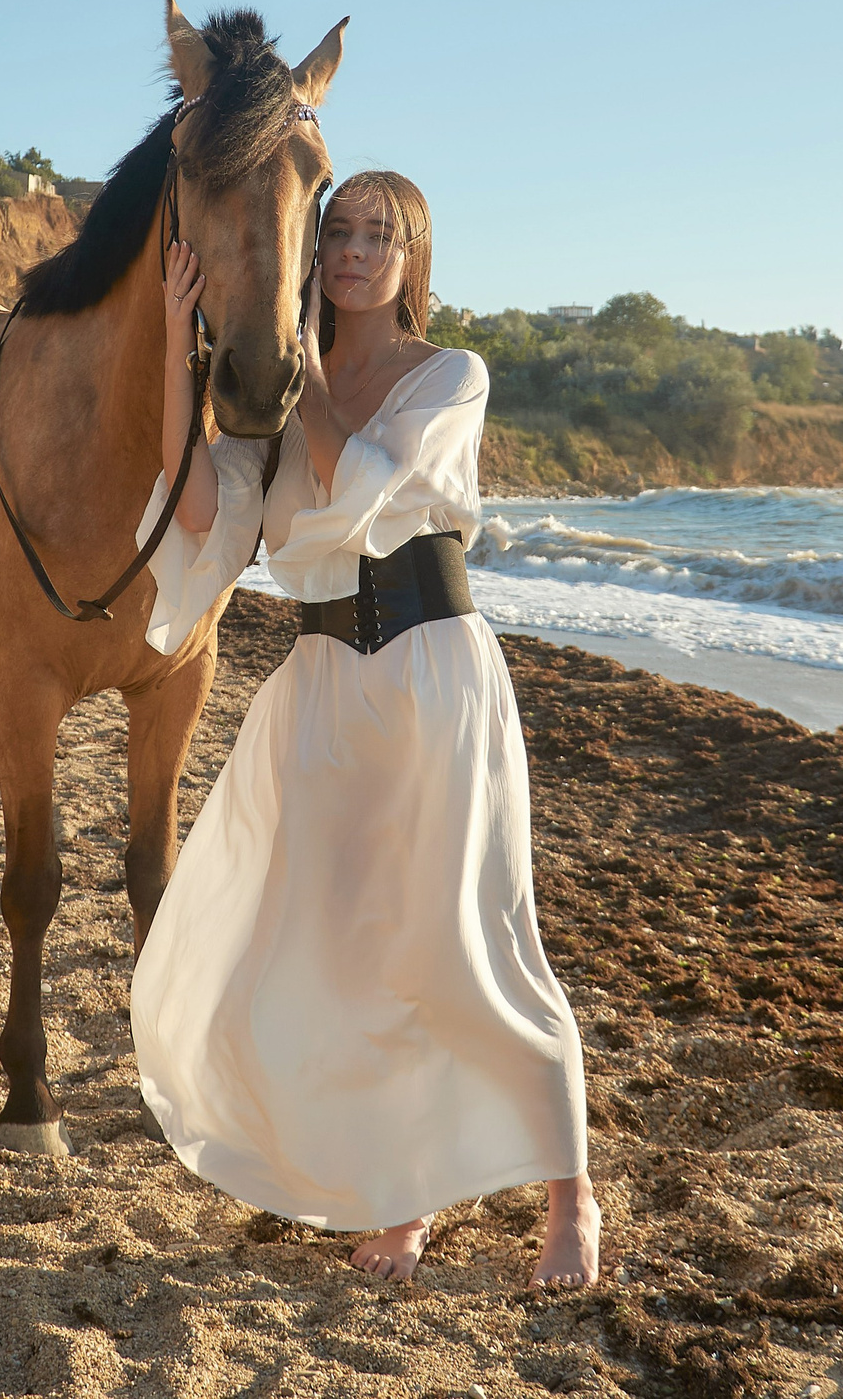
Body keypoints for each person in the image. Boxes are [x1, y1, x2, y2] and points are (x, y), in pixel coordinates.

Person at [127, 168, 602, 1287]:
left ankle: (570, 1195)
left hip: (432, 673)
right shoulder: (283, 394)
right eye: (335, 232)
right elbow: (201, 510)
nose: (349, 249)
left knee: (468, 933)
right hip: (324, 684)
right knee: (345, 945)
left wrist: (297, 362)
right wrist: (172, 345)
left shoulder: (450, 377)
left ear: (411, 257)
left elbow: (366, 479)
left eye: (374, 234)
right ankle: (403, 1194)